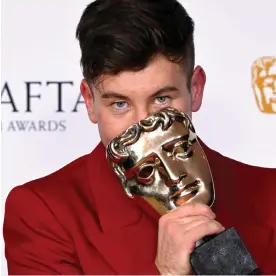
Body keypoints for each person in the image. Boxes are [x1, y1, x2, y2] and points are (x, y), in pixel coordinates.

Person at [3, 0, 276, 275]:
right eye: (120, 104)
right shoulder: (43, 213)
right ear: (89, 101)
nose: (144, 128)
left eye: (161, 99)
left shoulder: (270, 195)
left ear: (196, 88)